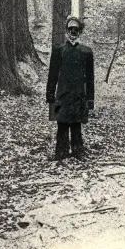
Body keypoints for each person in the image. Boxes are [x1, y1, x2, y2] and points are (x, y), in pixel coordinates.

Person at [46, 16, 95, 161]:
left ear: (80, 31)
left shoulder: (86, 52)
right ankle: (61, 152)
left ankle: (78, 151)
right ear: (66, 31)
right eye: (70, 29)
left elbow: (90, 78)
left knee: (76, 124)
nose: (73, 32)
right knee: (62, 124)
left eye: (76, 29)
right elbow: (52, 74)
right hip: (62, 94)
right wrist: (50, 93)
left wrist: (90, 98)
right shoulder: (58, 50)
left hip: (79, 95)